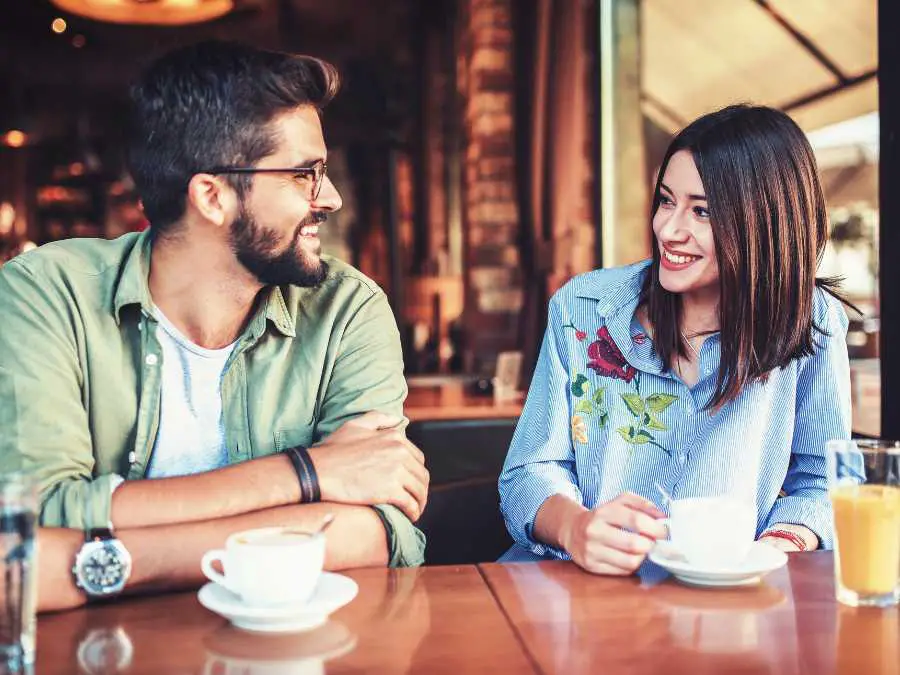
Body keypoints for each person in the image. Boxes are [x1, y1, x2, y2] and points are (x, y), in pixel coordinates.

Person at [0, 40, 428, 609]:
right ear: (212, 196)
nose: (330, 198)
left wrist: (106, 561)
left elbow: (377, 530)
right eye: (304, 173)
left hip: (289, 645)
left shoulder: (346, 309)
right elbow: (35, 516)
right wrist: (305, 474)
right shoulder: (46, 293)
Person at [498, 104, 851, 574]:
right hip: (576, 590)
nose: (667, 229)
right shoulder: (581, 308)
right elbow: (526, 474)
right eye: (666, 201)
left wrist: (777, 545)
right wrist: (575, 528)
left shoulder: (811, 322)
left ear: (765, 223)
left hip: (726, 602)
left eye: (701, 211)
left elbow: (826, 483)